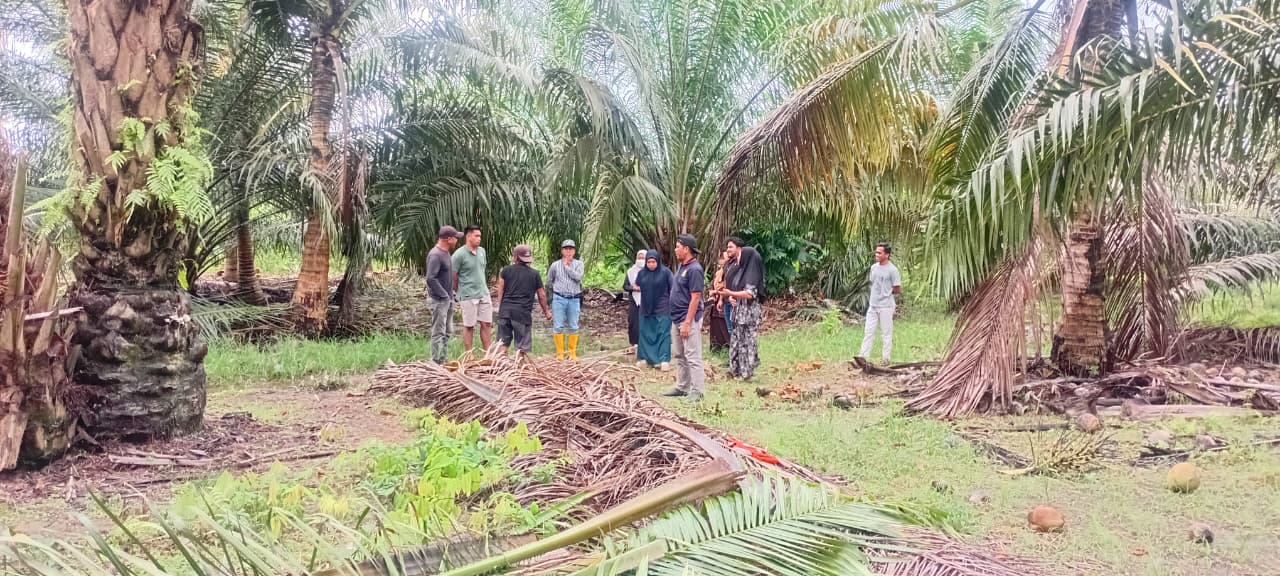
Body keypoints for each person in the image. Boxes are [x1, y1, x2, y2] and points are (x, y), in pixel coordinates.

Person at [662, 234, 706, 401]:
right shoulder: (682, 266)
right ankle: (682, 386)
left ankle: (697, 390)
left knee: (692, 355)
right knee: (680, 355)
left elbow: (695, 297)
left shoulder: (694, 269)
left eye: (677, 247)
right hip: (677, 318)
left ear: (686, 249)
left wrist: (688, 322)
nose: (675, 249)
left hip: (688, 319)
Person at [496, 244, 552, 357]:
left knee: (503, 342)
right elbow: (541, 295)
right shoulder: (535, 274)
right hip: (522, 314)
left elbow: (500, 291)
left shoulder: (505, 271)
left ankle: (501, 364)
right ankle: (519, 365)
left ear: (515, 257)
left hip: (505, 311)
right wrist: (546, 312)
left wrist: (501, 308)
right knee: (521, 347)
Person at [722, 238, 764, 380]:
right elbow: (735, 290)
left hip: (749, 314)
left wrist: (731, 293)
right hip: (738, 313)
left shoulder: (752, 273)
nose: (738, 258)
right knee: (736, 341)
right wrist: (731, 297)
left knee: (748, 343)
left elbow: (749, 293)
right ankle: (735, 370)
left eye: (740, 256)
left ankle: (747, 372)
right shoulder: (740, 271)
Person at [426, 225, 464, 364]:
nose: (457, 240)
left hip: (447, 299)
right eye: (455, 238)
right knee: (438, 332)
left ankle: (443, 358)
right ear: (449, 239)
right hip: (439, 300)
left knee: (447, 331)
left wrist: (451, 294)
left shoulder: (446, 253)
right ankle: (436, 361)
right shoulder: (435, 255)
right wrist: (443, 295)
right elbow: (431, 278)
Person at [859, 242, 902, 364]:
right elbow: (873, 283)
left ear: (887, 255)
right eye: (876, 252)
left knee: (886, 333)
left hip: (886, 306)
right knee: (868, 331)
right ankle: (862, 356)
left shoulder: (893, 270)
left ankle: (885, 358)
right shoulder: (873, 268)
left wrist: (886, 293)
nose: (876, 254)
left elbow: (897, 288)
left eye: (879, 253)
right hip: (873, 305)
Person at [452, 226, 491, 354]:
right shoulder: (459, 254)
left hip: (483, 293)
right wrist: (459, 290)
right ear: (468, 236)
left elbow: (482, 270)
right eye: (476, 236)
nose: (479, 239)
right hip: (468, 295)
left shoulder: (482, 251)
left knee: (486, 323)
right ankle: (469, 354)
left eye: (480, 236)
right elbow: (453, 275)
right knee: (469, 325)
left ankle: (487, 354)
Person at [546, 239, 585, 360]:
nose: (568, 251)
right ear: (562, 251)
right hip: (559, 298)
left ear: (574, 251)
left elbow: (578, 277)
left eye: (571, 249)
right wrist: (550, 298)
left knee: (573, 326)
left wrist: (567, 267)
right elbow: (549, 281)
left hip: (574, 299)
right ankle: (560, 353)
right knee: (558, 326)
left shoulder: (579, 264)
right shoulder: (555, 265)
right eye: (566, 249)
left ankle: (572, 353)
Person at [635, 250, 673, 370]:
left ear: (658, 261)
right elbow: (637, 285)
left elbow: (672, 288)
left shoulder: (666, 272)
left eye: (653, 262)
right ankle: (645, 359)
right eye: (649, 262)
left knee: (663, 333)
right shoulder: (642, 273)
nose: (651, 264)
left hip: (663, 307)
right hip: (646, 307)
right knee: (645, 333)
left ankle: (663, 360)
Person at [622, 250, 646, 353]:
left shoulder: (650, 271)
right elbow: (625, 286)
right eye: (639, 258)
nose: (640, 260)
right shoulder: (630, 272)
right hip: (633, 300)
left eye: (643, 258)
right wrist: (633, 288)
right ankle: (634, 343)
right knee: (633, 321)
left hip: (646, 299)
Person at [708, 250, 731, 353]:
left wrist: (720, 298)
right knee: (715, 323)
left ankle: (728, 346)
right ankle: (716, 347)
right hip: (715, 299)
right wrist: (711, 292)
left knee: (724, 324)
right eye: (721, 258)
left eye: (724, 258)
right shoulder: (719, 272)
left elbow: (725, 286)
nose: (722, 260)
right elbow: (713, 284)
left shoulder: (729, 271)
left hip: (724, 299)